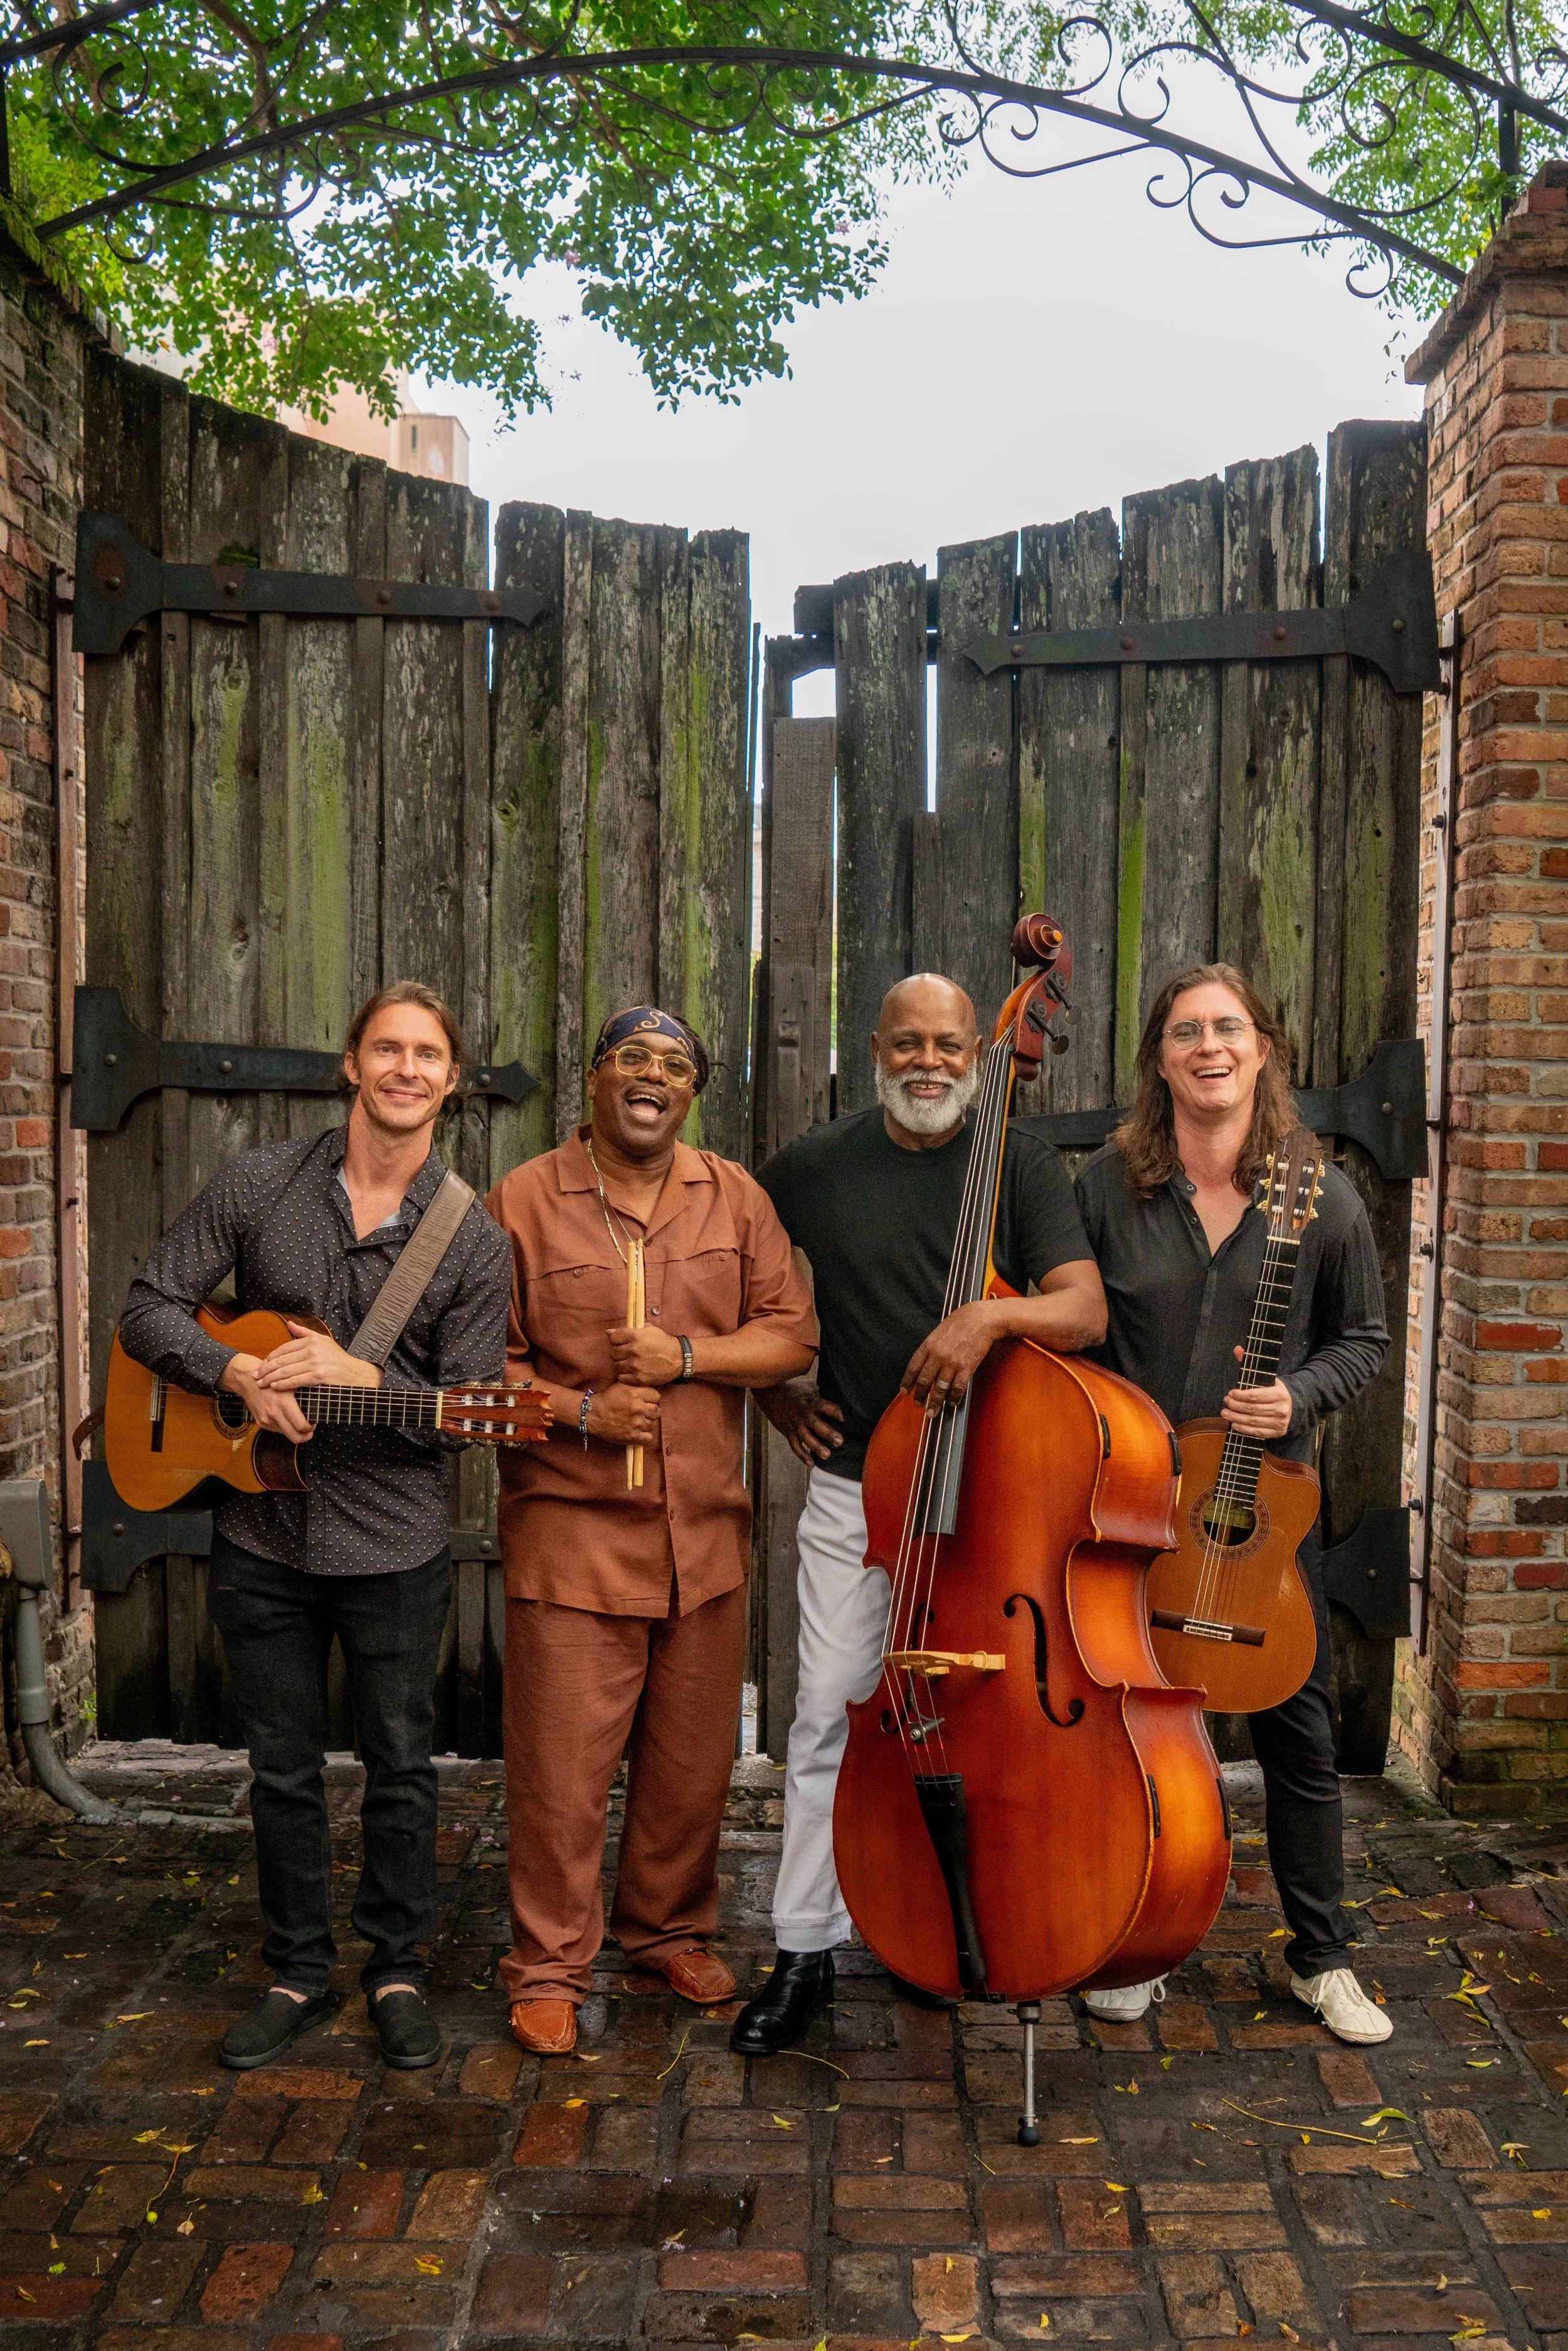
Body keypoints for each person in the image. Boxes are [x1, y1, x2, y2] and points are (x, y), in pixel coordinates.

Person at [118, 982, 511, 2072]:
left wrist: (360, 1373)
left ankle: (395, 1969)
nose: (405, 1069)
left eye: (428, 1055)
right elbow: (149, 1306)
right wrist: (237, 1367)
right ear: (351, 1063)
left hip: (394, 1545)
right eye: (387, 1048)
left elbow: (475, 1407)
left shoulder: (473, 1240)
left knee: (400, 1764)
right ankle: (296, 1967)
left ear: (451, 1081)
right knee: (281, 1766)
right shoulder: (260, 1185)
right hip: (261, 1536)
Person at [729, 972, 1108, 2057]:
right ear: (877, 1049)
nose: (930, 1061)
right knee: (831, 1717)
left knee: (989, 1728)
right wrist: (771, 1394)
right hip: (858, 1485)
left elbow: (1084, 1308)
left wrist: (988, 1317)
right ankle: (802, 1949)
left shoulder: (1020, 1166)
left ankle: (952, 1926)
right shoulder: (815, 1165)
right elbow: (731, 1278)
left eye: (950, 1043)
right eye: (909, 1044)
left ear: (979, 1055)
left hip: (994, 1498)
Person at [487, 1005, 818, 2056]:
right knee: (561, 1776)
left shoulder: (736, 1198)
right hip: (573, 1537)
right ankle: (547, 1967)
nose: (653, 1077)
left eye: (676, 1065)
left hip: (704, 1538)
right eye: (632, 1057)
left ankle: (665, 1931)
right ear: (593, 1080)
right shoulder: (523, 1202)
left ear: (691, 1094)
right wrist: (582, 1414)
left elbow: (790, 1335)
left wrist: (686, 1359)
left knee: (689, 1766)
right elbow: (481, 1368)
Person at [1074, 962, 1391, 2047]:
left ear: (1264, 1049)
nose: (1209, 1047)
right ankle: (1136, 1938)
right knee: (1127, 1730)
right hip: (1135, 1508)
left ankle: (1321, 1956)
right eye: (1185, 1032)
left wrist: (1296, 1394)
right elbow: (1074, 1332)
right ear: (1159, 1060)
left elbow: (1365, 1343)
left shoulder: (1323, 1191)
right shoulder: (1109, 1191)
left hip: (1258, 1516)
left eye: (1229, 1028)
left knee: (1298, 1734)